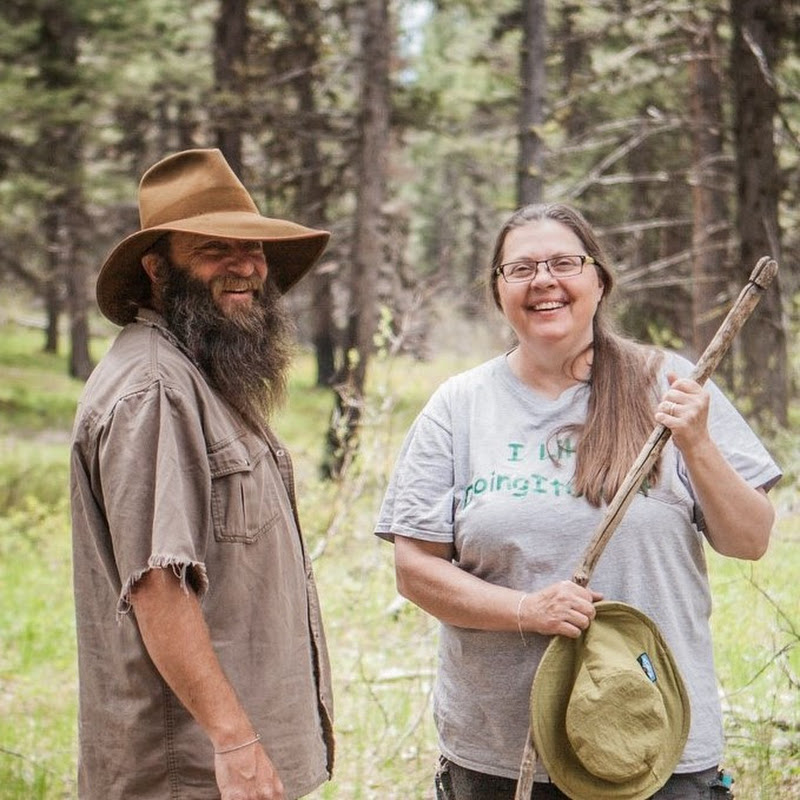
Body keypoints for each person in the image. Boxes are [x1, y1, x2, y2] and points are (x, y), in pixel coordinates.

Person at [374, 202, 781, 799]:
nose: (543, 280)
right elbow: (415, 570)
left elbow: (750, 540)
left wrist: (696, 443)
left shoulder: (672, 384)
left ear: (599, 280)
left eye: (564, 263)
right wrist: (526, 610)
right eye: (521, 269)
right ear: (499, 291)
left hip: (652, 746)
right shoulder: (459, 406)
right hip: (500, 755)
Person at [70, 148, 334, 800]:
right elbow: (159, 584)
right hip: (190, 769)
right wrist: (235, 741)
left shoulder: (198, 374)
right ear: (157, 269)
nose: (244, 265)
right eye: (215, 248)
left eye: (253, 248)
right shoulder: (156, 390)